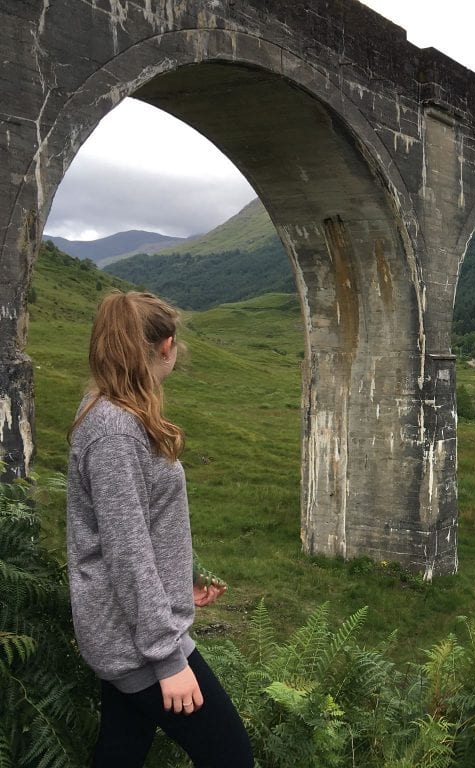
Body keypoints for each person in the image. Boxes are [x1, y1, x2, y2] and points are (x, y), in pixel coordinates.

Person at [66, 291, 253, 767]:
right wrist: (170, 661)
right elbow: (126, 551)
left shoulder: (111, 412)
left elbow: (138, 523)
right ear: (165, 347)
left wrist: (180, 579)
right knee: (230, 755)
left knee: (121, 751)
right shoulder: (113, 431)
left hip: (129, 629)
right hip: (140, 643)